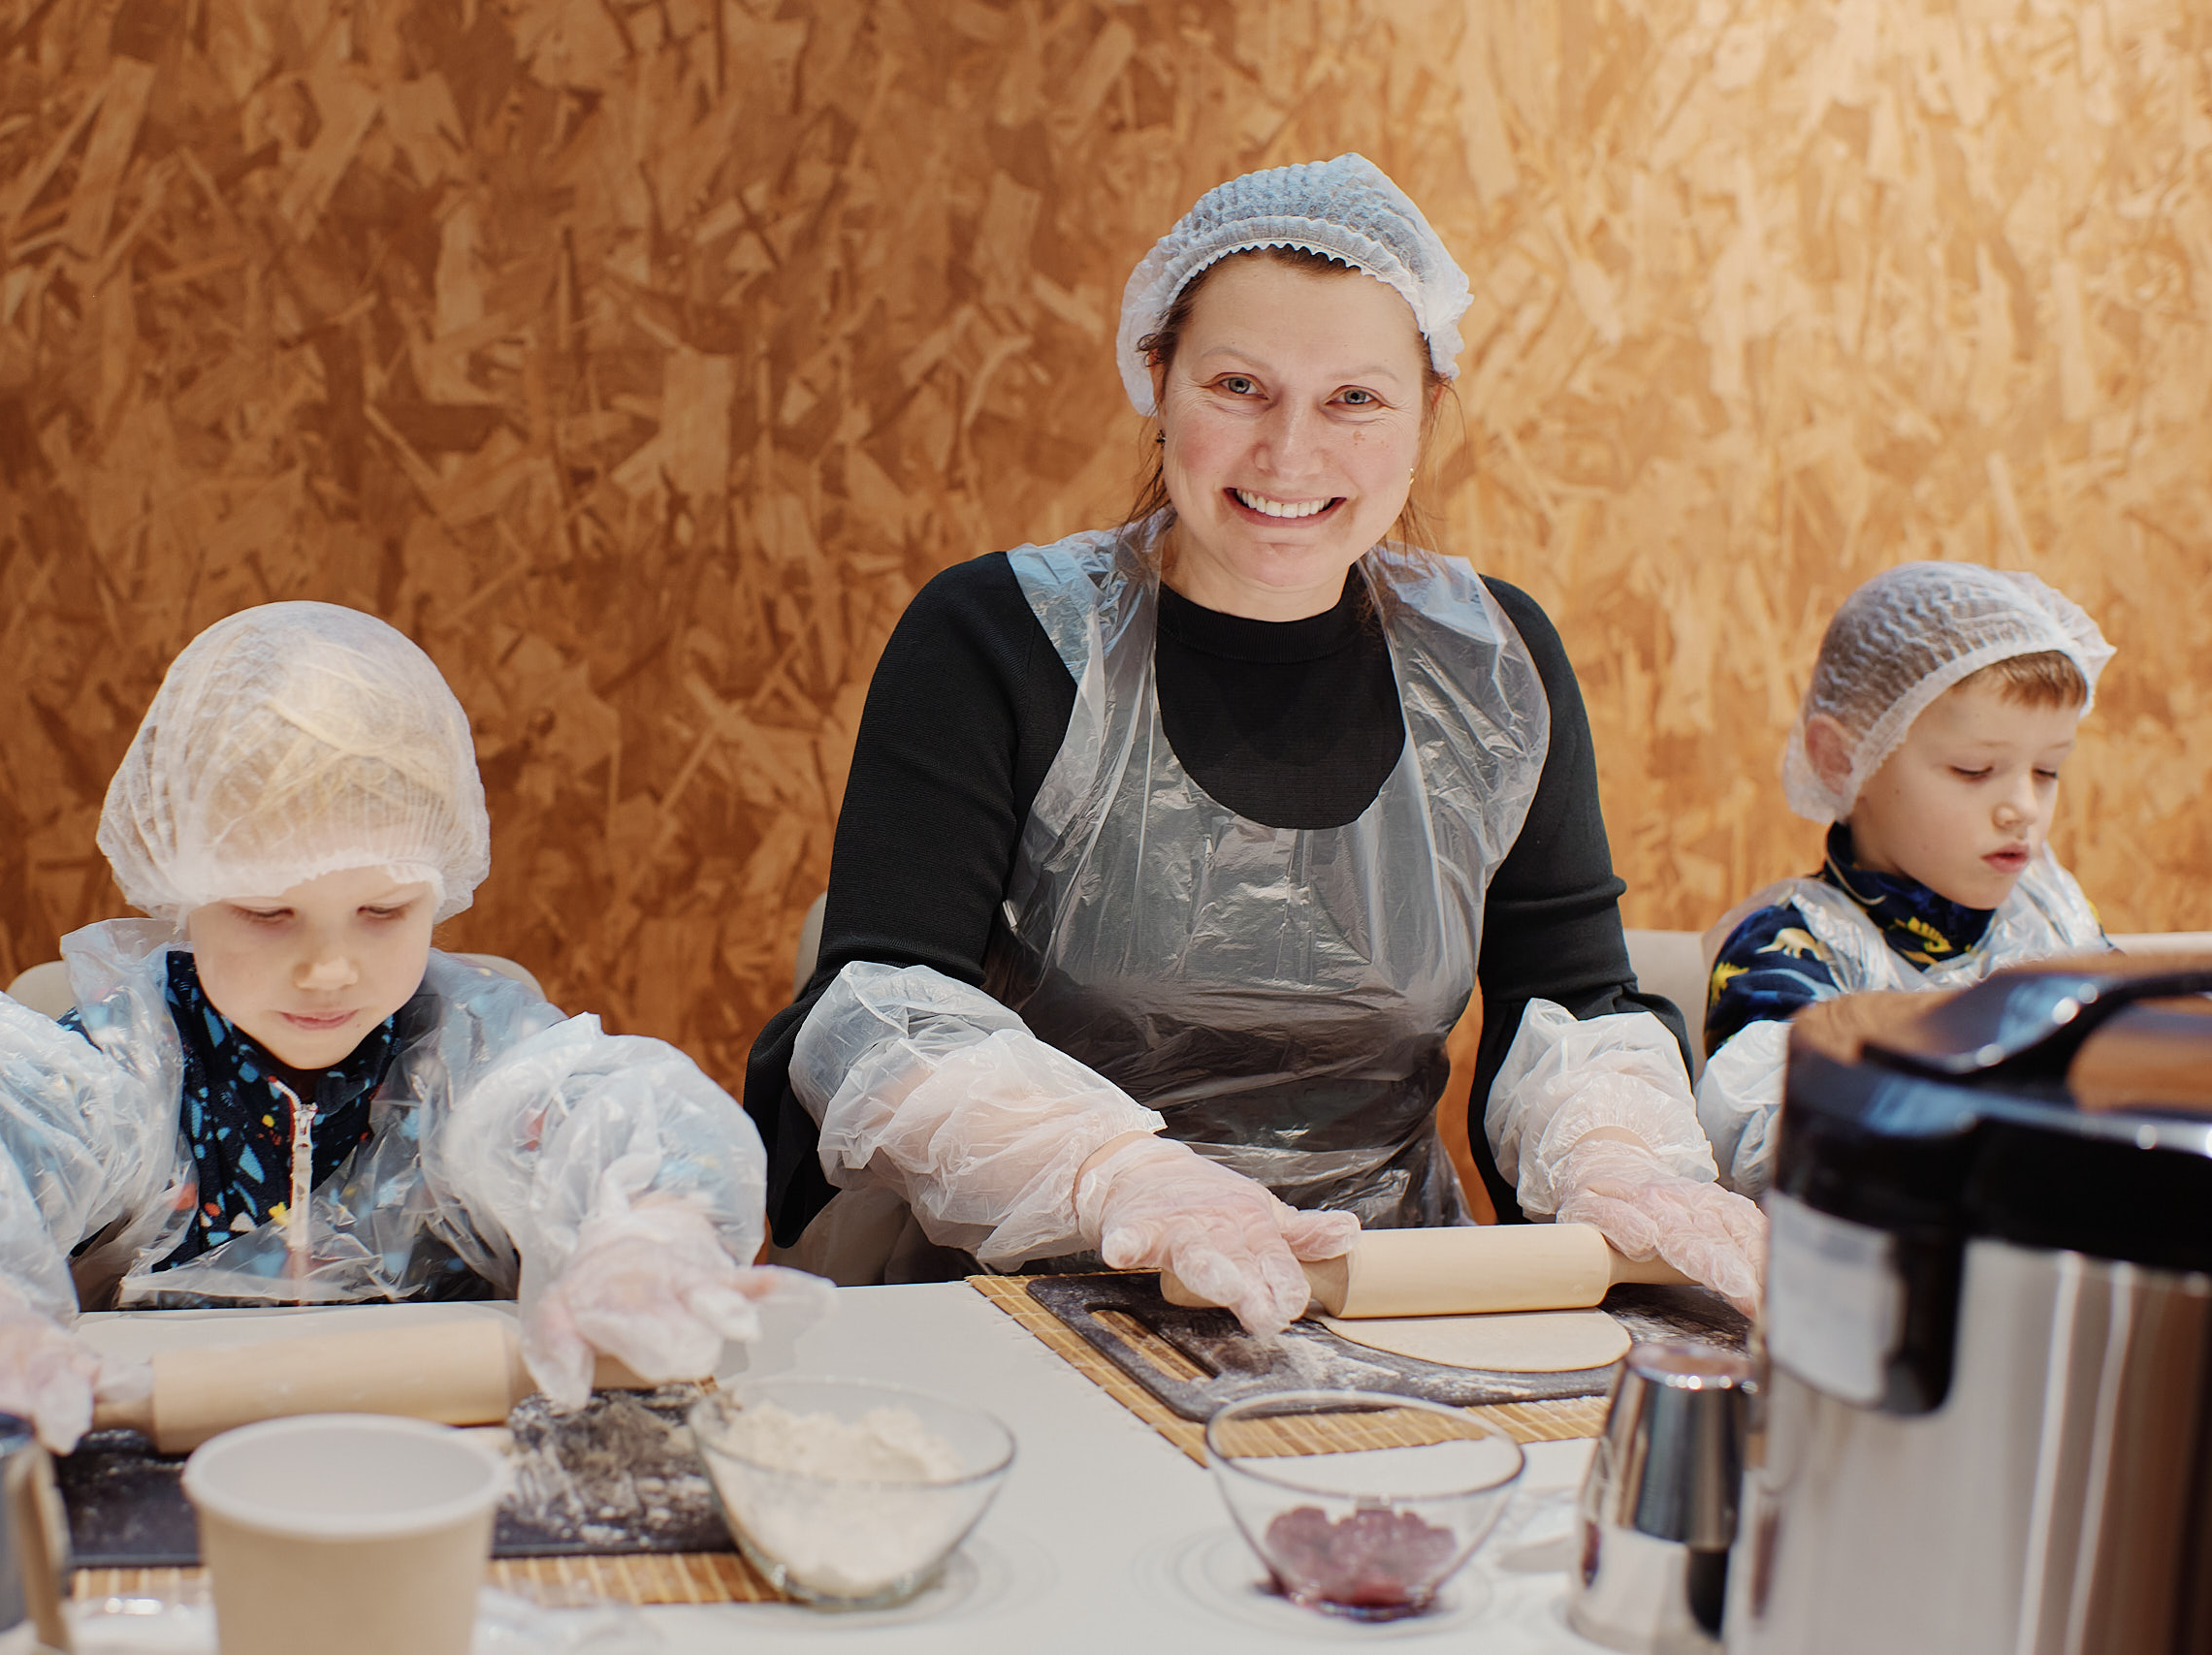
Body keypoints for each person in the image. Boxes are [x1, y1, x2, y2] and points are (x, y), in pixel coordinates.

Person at [743, 154, 1763, 1332]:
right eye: (1239, 385)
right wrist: (1123, 1183)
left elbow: (1572, 1002)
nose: (1289, 454)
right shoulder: (998, 636)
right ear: (1157, 377)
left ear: (1425, 412)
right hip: (1044, 1301)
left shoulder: (1494, 663)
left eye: (1354, 399)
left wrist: (1619, 1162)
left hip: (1384, 1306)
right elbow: (884, 1011)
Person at [0, 602, 819, 1448]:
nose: (330, 968)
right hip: (157, 1473)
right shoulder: (104, 1070)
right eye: (267, 912)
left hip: (451, 1469)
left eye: (383, 911)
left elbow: (640, 1131)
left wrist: (645, 1238)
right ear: (181, 886)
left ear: (441, 887)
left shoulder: (475, 1061)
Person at [1696, 563, 2113, 1194]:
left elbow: (2135, 1059)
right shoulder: (1788, 950)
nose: (2023, 808)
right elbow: (1784, 1148)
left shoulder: (2055, 913)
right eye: (1974, 770)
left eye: (2048, 770)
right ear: (1842, 761)